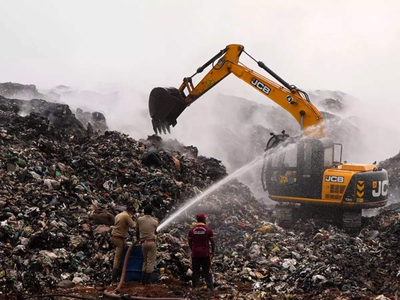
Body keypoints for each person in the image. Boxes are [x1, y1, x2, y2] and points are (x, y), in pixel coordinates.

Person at [188, 213, 215, 291]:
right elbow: (212, 242)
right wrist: (212, 252)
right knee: (207, 270)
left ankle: (194, 287)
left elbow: (190, 242)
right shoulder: (208, 229)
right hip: (205, 253)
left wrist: (192, 249)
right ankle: (210, 288)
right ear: (203, 219)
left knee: (195, 271)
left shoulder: (192, 230)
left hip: (195, 254)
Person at [110, 204, 136, 283]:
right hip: (118, 238)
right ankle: (114, 278)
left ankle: (118, 273)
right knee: (118, 258)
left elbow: (122, 226)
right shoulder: (127, 216)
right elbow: (133, 226)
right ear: (130, 211)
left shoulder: (119, 215)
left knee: (119, 256)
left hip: (113, 236)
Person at [136, 206, 158, 285]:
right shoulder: (155, 221)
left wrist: (138, 238)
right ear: (151, 212)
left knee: (145, 261)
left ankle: (142, 281)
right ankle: (148, 282)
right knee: (150, 262)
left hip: (143, 243)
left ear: (144, 212)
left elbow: (137, 230)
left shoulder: (139, 220)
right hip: (151, 243)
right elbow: (155, 232)